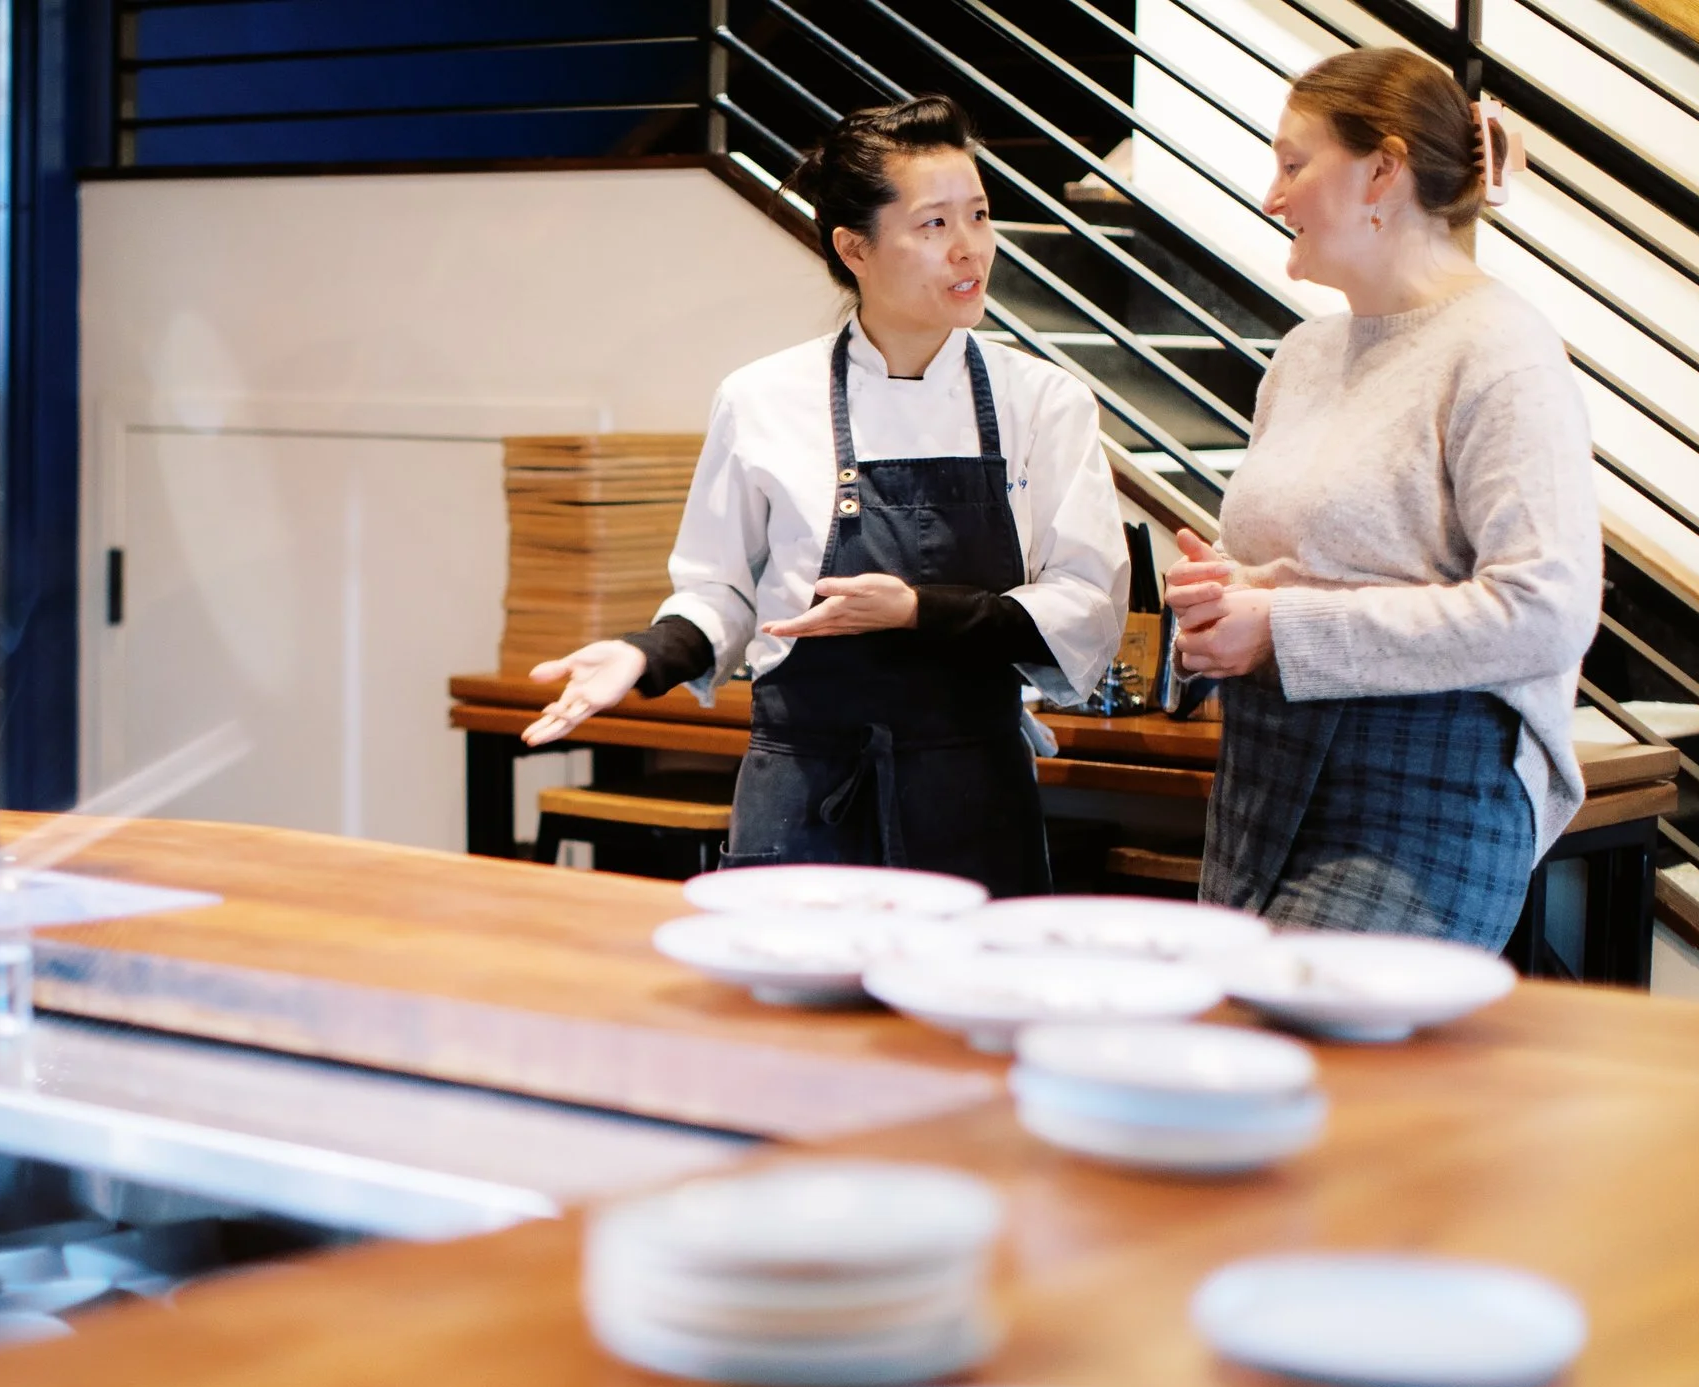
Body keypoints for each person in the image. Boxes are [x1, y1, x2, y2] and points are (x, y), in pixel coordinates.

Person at [521, 96, 1127, 894]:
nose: (969, 248)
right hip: (802, 794)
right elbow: (723, 593)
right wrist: (646, 653)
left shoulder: (1044, 403)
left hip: (970, 794)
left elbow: (1086, 604)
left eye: (979, 216)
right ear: (854, 247)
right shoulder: (762, 398)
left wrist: (918, 610)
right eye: (934, 223)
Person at [1165, 48, 1599, 948]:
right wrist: (1224, 596)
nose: (1272, 197)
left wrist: (1280, 628)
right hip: (1261, 776)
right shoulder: (1305, 355)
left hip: (1426, 791)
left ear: (1383, 171)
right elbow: (1306, 566)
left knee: (1302, 1034)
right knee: (1234, 1032)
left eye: (1293, 165)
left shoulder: (1501, 350)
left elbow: (1547, 611)